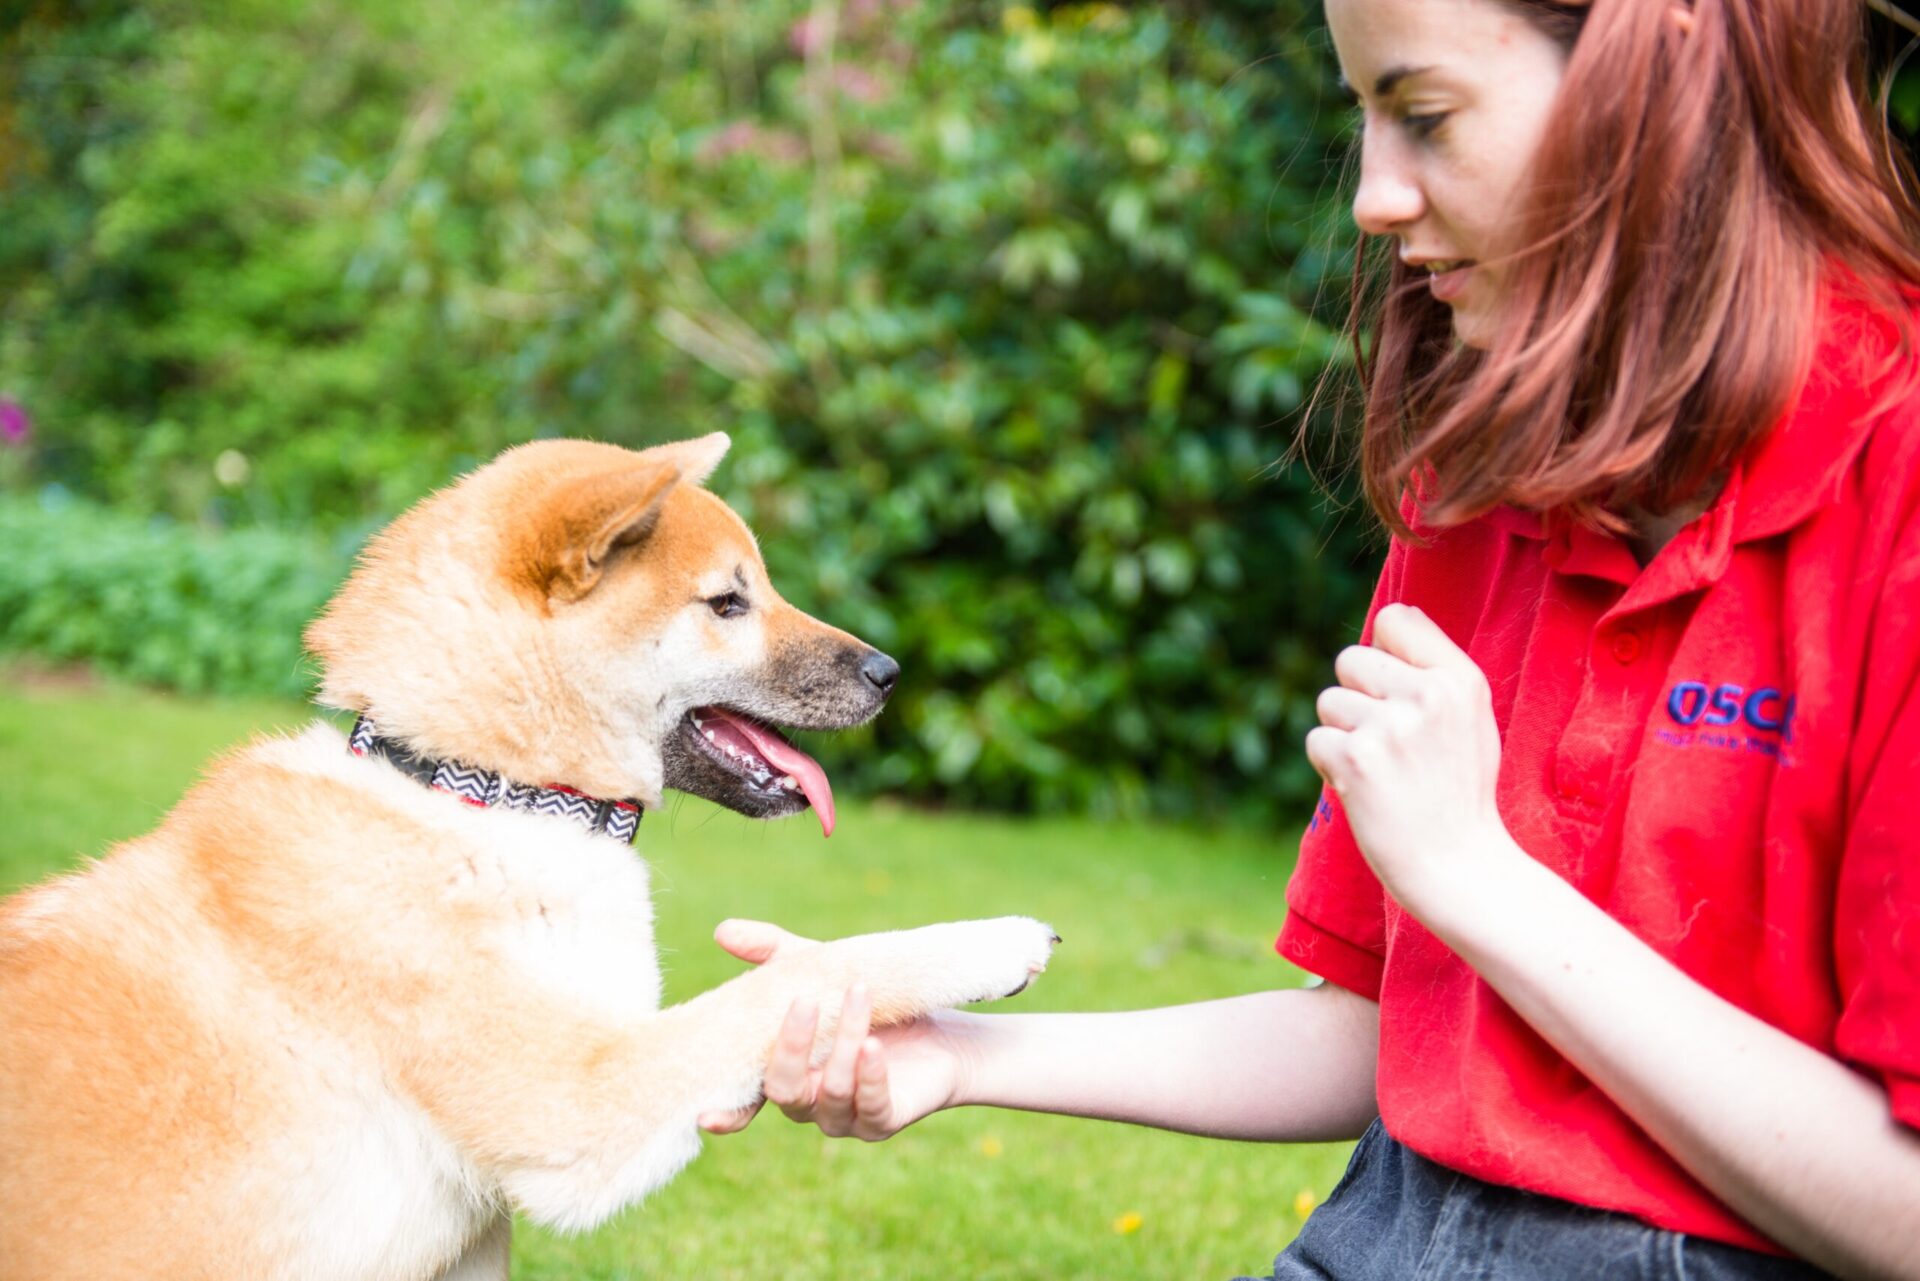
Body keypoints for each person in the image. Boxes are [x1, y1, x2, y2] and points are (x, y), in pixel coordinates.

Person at [698, 1, 1920, 1276]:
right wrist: (958, 1054)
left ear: (1666, 80)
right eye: (1364, 118)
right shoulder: (1483, 484)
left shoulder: (1895, 494)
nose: (1373, 199)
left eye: (1427, 116)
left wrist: (1482, 879)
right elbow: (1376, 1032)